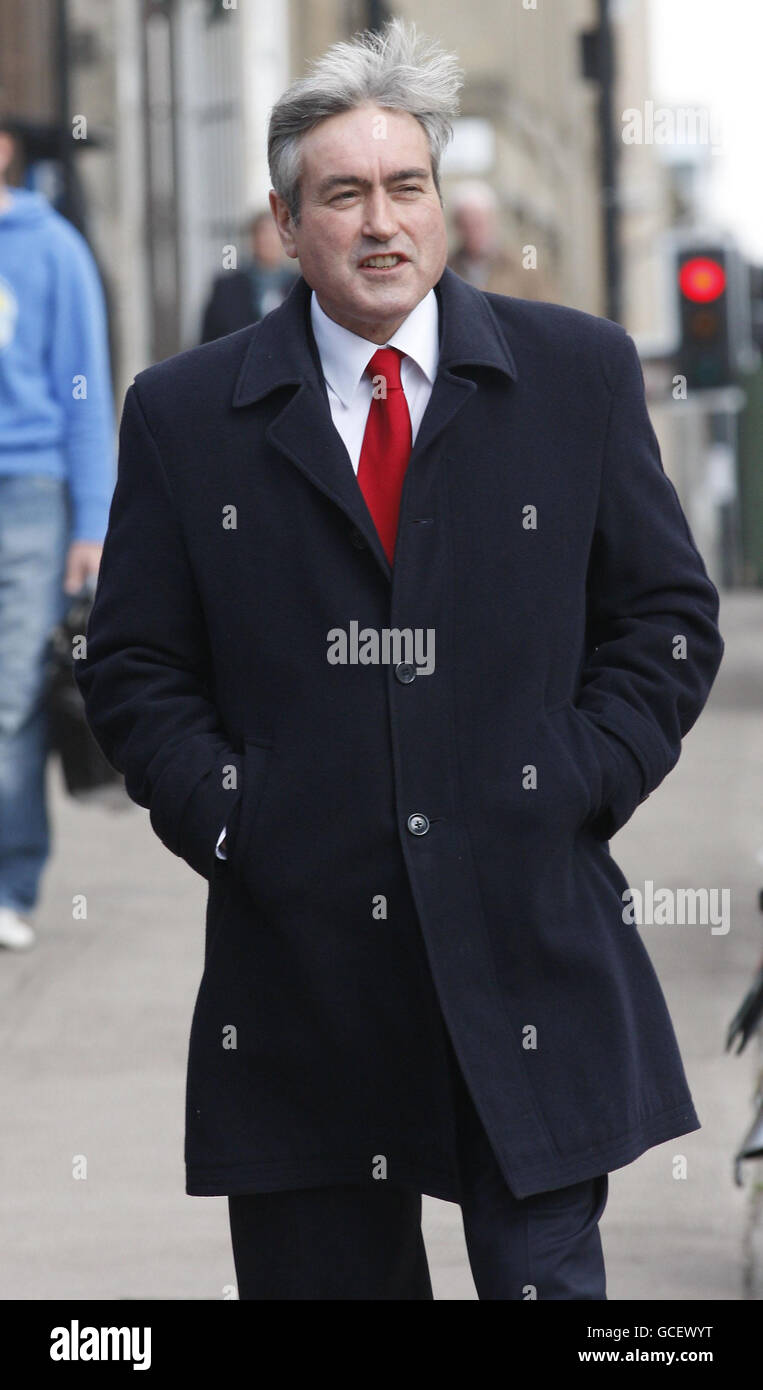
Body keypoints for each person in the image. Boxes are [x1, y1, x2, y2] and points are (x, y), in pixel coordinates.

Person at [74, 20, 724, 1300]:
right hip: (302, 979)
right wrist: (235, 814)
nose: (381, 221)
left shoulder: (576, 376)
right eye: (344, 194)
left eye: (406, 186)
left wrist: (577, 773)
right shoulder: (185, 414)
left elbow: (666, 617)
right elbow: (135, 660)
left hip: (526, 949)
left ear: (439, 201)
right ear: (285, 221)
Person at [0, 115, 114, 952]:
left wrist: (94, 517)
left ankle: (11, 880)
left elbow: (86, 389)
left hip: (28, 490)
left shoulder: (52, 248)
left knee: (8, 693)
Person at [200, 208, 298, 343]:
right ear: (252, 239)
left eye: (273, 234)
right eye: (262, 234)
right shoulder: (227, 288)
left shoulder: (299, 285)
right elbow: (208, 340)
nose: (268, 241)